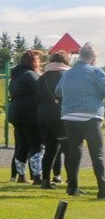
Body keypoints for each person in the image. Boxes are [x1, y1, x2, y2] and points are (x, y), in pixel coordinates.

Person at [56, 43, 105, 198]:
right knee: (97, 153)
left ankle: (73, 187)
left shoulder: (67, 73)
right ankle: (102, 188)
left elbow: (58, 91)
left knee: (74, 152)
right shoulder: (95, 71)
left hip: (70, 116)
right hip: (91, 115)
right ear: (93, 58)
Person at [8, 49, 43, 185]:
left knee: (22, 146)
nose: (40, 62)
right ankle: (37, 177)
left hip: (16, 113)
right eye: (38, 60)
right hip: (30, 113)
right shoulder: (31, 75)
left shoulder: (16, 76)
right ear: (33, 61)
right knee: (36, 145)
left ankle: (21, 176)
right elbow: (41, 90)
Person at [36, 51, 70, 190]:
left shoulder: (42, 77)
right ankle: (71, 182)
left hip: (43, 114)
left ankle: (45, 181)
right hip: (59, 113)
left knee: (50, 149)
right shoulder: (66, 76)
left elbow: (36, 97)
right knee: (68, 149)